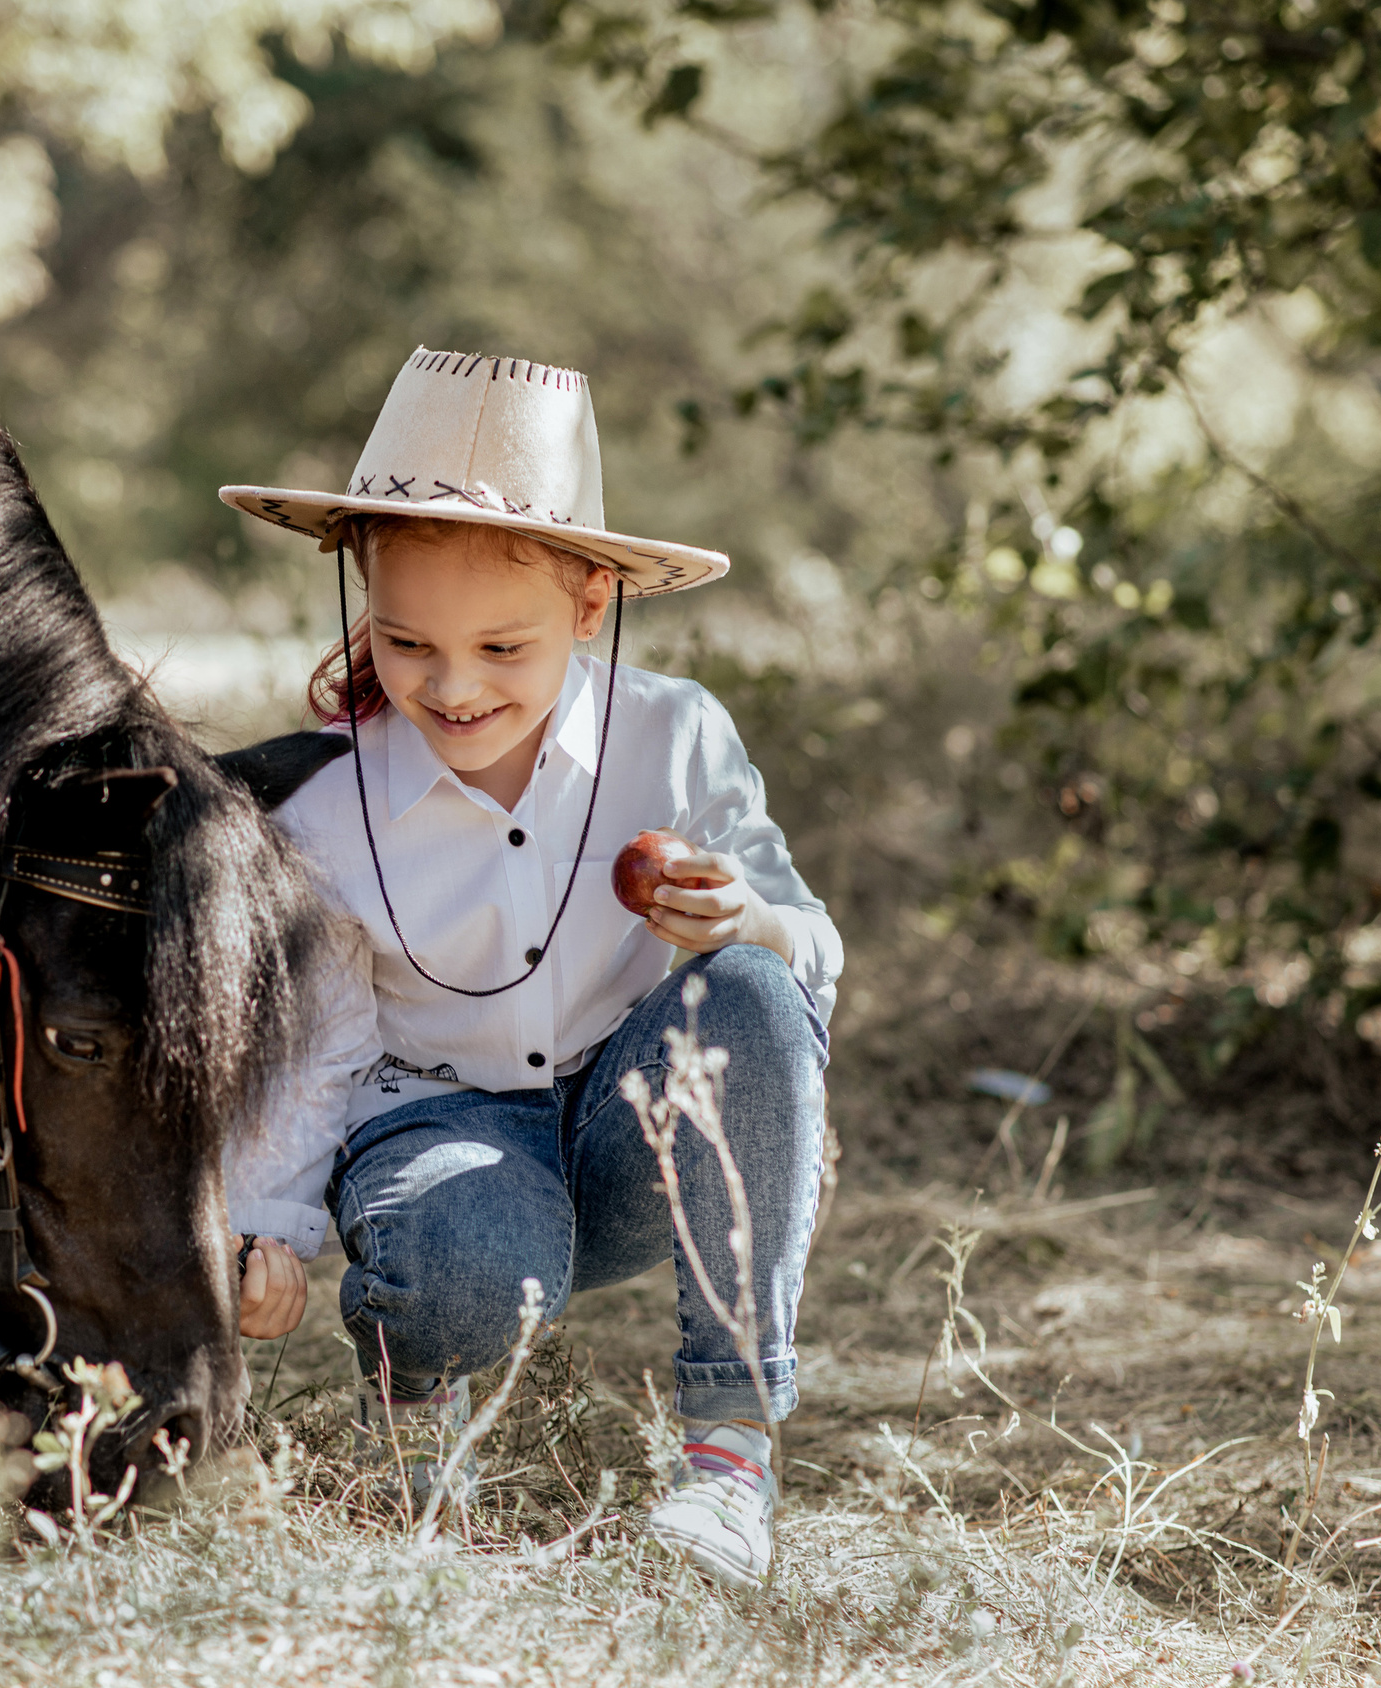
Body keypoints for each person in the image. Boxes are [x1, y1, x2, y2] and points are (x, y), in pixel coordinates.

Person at [216, 348, 838, 1588]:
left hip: (631, 1126)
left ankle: (726, 1460)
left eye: (504, 647)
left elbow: (814, 948)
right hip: (437, 1126)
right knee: (462, 1268)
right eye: (406, 643)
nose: (452, 686)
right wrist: (259, 1221)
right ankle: (414, 1401)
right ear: (362, 600)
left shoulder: (674, 737)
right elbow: (321, 1038)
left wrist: (748, 918)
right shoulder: (329, 808)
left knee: (760, 993)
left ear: (590, 607)